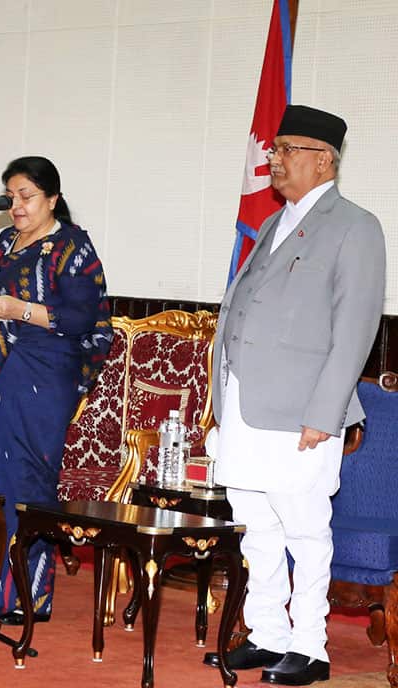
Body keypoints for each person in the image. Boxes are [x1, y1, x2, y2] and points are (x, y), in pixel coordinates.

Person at [204, 105, 385, 686]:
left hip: (302, 413)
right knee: (257, 525)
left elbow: (355, 328)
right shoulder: (272, 223)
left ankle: (310, 646)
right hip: (245, 404)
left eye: (285, 150)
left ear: (323, 159)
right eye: (275, 149)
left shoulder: (355, 225)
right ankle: (267, 634)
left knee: (306, 529)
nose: (273, 159)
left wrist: (325, 414)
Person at [0, 156, 112, 624]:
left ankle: (23, 593)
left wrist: (20, 309)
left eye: (26, 196)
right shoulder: (4, 241)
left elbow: (79, 319)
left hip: (40, 377)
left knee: (22, 483)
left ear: (52, 198)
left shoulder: (72, 246)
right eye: (10, 196)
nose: (17, 206)